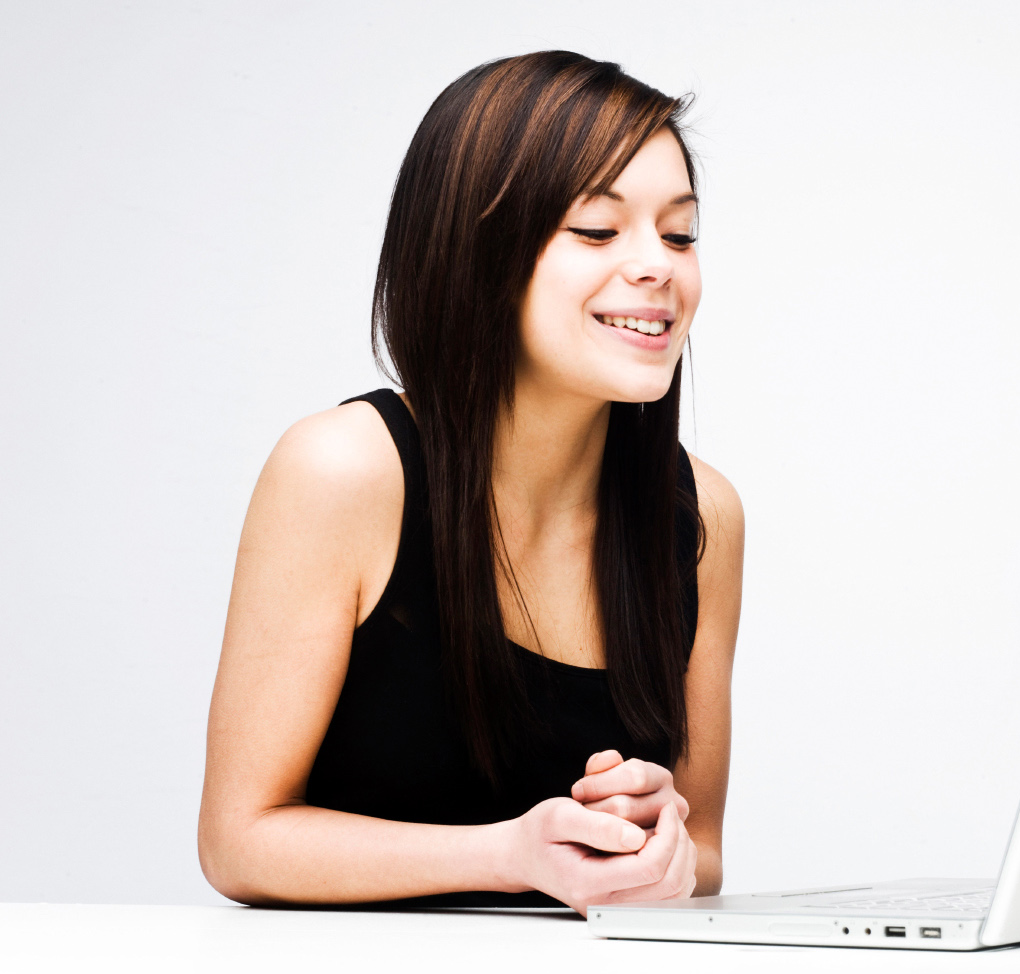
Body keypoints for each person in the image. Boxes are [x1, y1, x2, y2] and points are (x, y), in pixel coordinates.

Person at [196, 51, 743, 915]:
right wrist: (511, 854)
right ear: (479, 249)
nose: (659, 267)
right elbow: (238, 840)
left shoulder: (702, 513)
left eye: (680, 234)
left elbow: (703, 850)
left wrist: (660, 840)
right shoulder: (343, 471)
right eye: (597, 230)